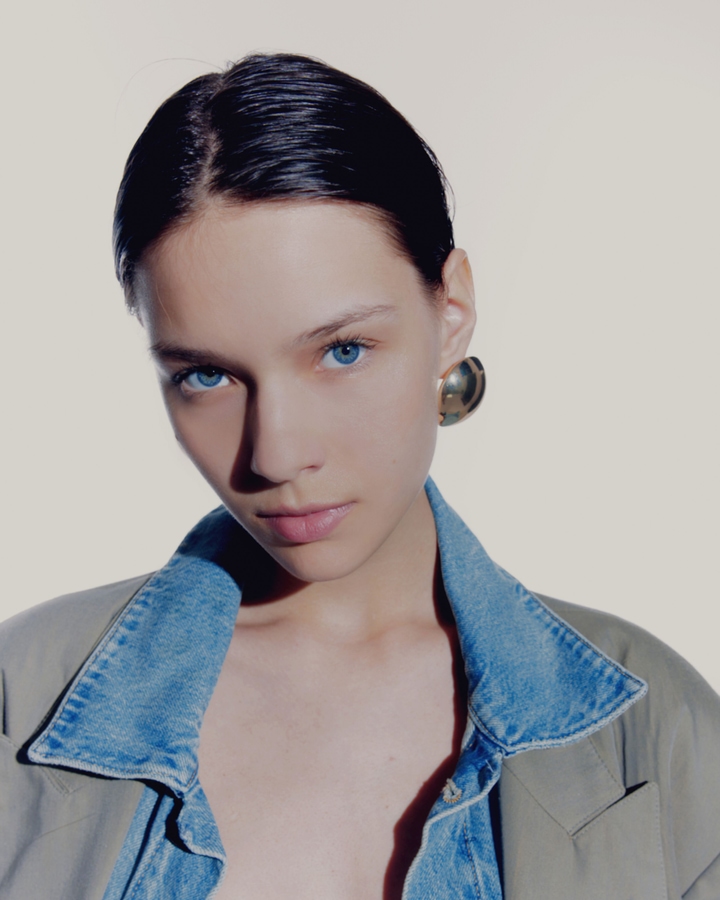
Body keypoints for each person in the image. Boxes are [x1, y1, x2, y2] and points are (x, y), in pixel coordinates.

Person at [1, 52, 719, 900]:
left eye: (342, 350)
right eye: (206, 374)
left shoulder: (653, 735)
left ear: (451, 312)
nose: (275, 455)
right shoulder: (22, 700)